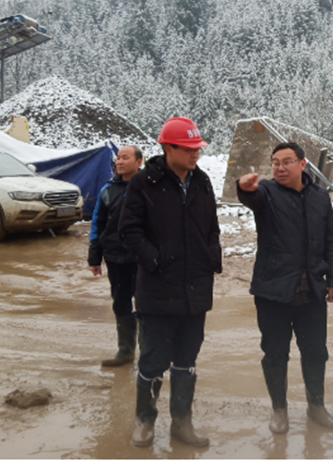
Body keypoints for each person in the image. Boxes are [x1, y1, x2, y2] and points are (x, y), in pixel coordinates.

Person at [119, 117, 221, 448]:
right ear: (168, 148)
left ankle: (182, 422)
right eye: (188, 149)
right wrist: (155, 261)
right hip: (158, 288)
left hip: (196, 287)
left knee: (187, 359)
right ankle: (145, 421)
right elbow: (129, 230)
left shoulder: (202, 181)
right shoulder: (144, 182)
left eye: (197, 148)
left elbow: (212, 228)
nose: (195, 154)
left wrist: (212, 259)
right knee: (153, 359)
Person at [237, 142, 333, 434]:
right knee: (275, 354)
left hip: (312, 291)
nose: (280, 168)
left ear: (302, 164)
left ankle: (316, 405)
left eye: (286, 162)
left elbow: (332, 240)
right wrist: (244, 188)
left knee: (316, 352)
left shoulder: (320, 197)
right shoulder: (267, 192)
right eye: (275, 163)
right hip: (273, 291)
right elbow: (251, 196)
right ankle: (279, 410)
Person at [88, 145, 143, 367]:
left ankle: (149, 354)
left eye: (125, 157)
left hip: (142, 259)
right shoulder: (107, 190)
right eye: (118, 158)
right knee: (120, 303)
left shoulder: (149, 188)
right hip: (115, 257)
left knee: (145, 304)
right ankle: (125, 351)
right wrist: (94, 257)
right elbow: (98, 224)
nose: (119, 161)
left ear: (139, 162)